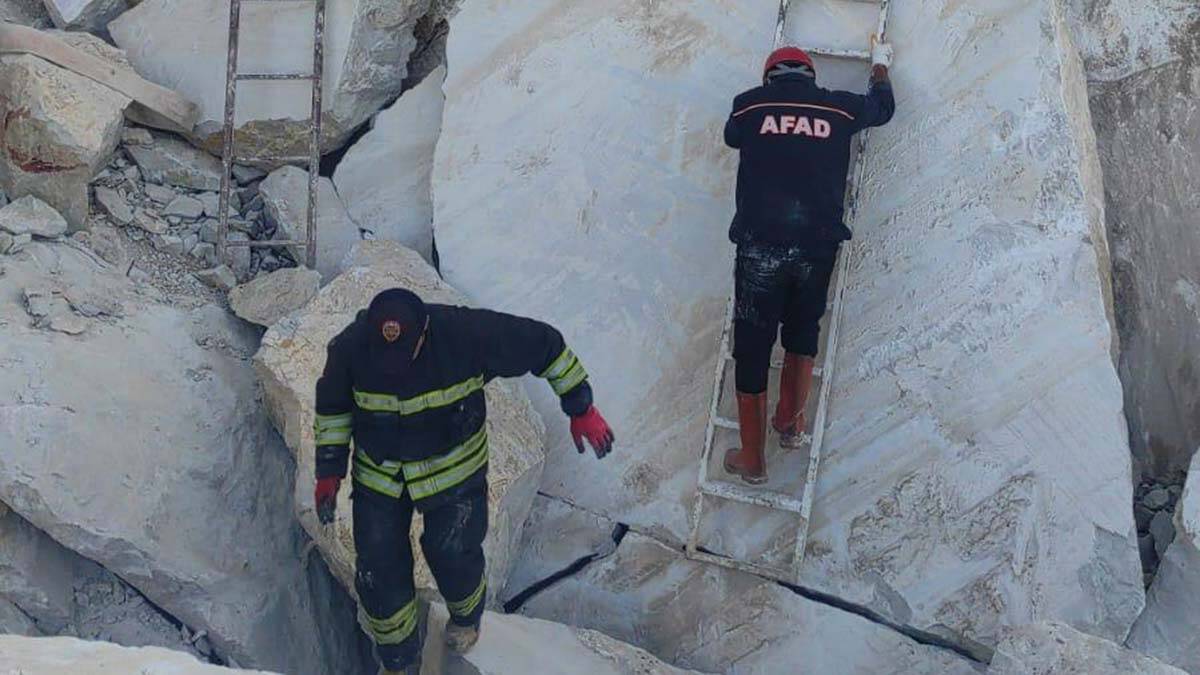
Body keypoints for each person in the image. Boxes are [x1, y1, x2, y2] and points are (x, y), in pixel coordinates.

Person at [312, 289, 615, 674]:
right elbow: (333, 409)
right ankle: (398, 659)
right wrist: (329, 470)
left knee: (452, 551)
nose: (394, 370)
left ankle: (465, 618)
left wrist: (580, 407)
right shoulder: (350, 347)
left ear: (423, 334)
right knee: (378, 566)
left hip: (452, 467)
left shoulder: (468, 334)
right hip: (382, 472)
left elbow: (545, 344)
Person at [721, 39, 896, 484]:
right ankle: (790, 422)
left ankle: (752, 459)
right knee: (802, 331)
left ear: (769, 78)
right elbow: (884, 109)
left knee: (753, 346)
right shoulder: (838, 108)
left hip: (762, 245)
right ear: (810, 77)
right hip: (816, 246)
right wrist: (879, 66)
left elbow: (732, 137)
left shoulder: (749, 106)